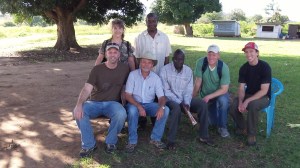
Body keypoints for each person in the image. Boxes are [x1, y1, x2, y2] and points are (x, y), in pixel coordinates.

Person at [73, 43, 130, 158]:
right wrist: (79, 104)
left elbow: (125, 87)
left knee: (121, 113)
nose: (112, 54)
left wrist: (125, 103)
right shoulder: (97, 69)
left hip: (113, 103)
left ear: (119, 54)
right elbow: (87, 88)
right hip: (94, 102)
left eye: (115, 52)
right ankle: (89, 144)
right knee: (79, 112)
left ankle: (111, 142)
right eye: (110, 52)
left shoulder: (125, 68)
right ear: (105, 54)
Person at [124, 52, 170, 153]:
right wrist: (138, 106)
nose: (146, 64)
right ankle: (132, 141)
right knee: (132, 111)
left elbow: (162, 97)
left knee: (165, 110)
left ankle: (155, 139)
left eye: (149, 62)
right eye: (143, 62)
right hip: (134, 103)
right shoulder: (133, 75)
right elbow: (127, 95)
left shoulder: (156, 78)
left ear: (152, 65)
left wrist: (161, 107)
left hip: (149, 105)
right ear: (140, 63)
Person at [134, 12, 172, 128]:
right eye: (149, 21)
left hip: (159, 74)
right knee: (143, 97)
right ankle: (142, 121)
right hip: (144, 75)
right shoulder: (140, 38)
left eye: (153, 21)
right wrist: (138, 74)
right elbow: (137, 58)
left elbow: (166, 57)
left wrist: (165, 74)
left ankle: (156, 121)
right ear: (145, 22)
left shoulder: (164, 37)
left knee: (157, 97)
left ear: (157, 22)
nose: (151, 23)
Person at [230, 42, 271, 146]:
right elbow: (241, 88)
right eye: (246, 52)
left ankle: (251, 134)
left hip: (263, 97)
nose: (248, 54)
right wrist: (240, 102)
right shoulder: (244, 68)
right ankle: (243, 127)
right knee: (233, 105)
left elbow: (264, 91)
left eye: (251, 51)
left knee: (253, 105)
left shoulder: (265, 67)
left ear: (257, 53)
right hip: (249, 94)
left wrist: (247, 101)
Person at [192, 44, 230, 138]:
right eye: (209, 54)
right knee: (210, 122)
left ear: (218, 55)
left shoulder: (223, 67)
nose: (211, 57)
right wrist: (191, 97)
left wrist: (209, 96)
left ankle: (222, 127)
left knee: (223, 101)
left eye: (214, 54)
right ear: (206, 54)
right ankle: (215, 115)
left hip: (219, 95)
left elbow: (224, 89)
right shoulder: (200, 63)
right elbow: (198, 82)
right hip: (205, 97)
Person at [159, 49, 193, 149]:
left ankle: (204, 136)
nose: (179, 62)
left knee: (202, 105)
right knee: (176, 108)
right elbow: (166, 91)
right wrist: (180, 102)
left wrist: (186, 102)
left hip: (184, 99)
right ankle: (171, 140)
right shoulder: (164, 70)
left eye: (181, 59)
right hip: (169, 99)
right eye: (176, 59)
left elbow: (189, 89)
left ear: (184, 60)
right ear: (173, 59)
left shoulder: (188, 71)